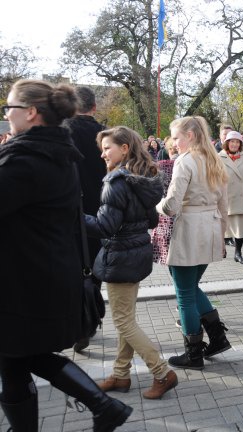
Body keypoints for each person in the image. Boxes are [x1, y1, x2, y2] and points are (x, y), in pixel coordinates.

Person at [0, 79, 132, 431]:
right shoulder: (55, 153)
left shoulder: (27, 159)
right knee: (16, 356)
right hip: (40, 270)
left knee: (17, 354)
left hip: (27, 276)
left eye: (8, 108)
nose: (6, 115)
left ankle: (103, 406)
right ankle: (102, 407)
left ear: (30, 113)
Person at [86, 126, 178, 399]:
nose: (103, 154)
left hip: (120, 256)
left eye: (107, 148)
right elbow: (150, 220)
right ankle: (120, 374)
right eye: (102, 148)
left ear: (124, 149)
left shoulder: (115, 182)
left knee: (124, 322)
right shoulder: (141, 179)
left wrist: (71, 216)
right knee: (127, 318)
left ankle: (162, 372)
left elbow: (105, 225)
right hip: (136, 254)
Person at [157, 116, 231, 370]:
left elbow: (171, 205)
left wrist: (154, 204)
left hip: (189, 228)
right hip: (210, 227)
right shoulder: (214, 160)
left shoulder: (185, 161)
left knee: (185, 294)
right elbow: (224, 205)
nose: (173, 143)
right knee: (192, 287)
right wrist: (221, 236)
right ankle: (218, 338)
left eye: (176, 137)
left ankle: (194, 354)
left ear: (190, 135)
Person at [62, 85, 107, 352]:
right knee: (94, 269)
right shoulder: (104, 134)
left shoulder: (62, 131)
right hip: (101, 209)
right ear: (93, 107)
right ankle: (91, 318)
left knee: (73, 270)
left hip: (69, 209)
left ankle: (80, 323)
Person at [220, 130, 243, 264]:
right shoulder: (218, 157)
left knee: (240, 230)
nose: (234, 144)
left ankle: (238, 253)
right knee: (224, 229)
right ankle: (222, 249)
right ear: (227, 143)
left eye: (237, 142)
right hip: (225, 199)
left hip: (241, 199)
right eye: (232, 141)